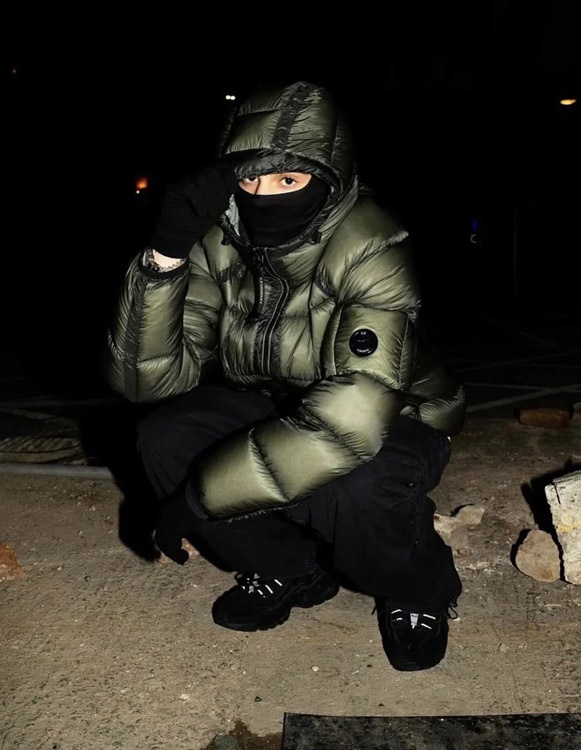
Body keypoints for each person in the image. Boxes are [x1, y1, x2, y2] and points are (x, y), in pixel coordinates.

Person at [103, 80, 466, 672]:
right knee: (165, 436)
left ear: (329, 178)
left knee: (355, 490)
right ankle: (289, 568)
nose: (263, 197)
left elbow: (353, 418)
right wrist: (165, 255)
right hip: (277, 398)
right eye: (249, 181)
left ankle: (418, 586)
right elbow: (148, 382)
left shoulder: (373, 245)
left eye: (288, 180)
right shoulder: (218, 241)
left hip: (394, 413)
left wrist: (199, 498)